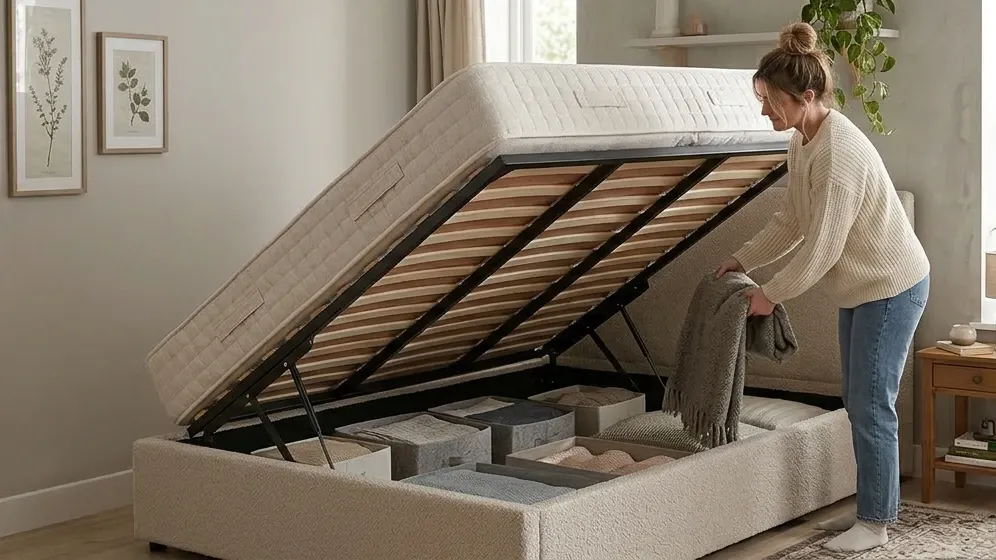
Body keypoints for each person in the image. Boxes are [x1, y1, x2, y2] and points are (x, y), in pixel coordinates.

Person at [715, 22, 930, 553]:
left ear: (806, 97)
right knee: (859, 401)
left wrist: (771, 293)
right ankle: (872, 510)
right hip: (862, 288)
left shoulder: (839, 153)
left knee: (871, 404)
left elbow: (823, 248)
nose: (765, 111)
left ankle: (875, 524)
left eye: (772, 102)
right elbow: (792, 220)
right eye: (762, 100)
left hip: (891, 286)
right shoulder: (802, 141)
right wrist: (744, 258)